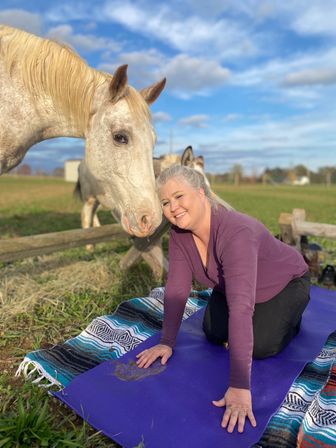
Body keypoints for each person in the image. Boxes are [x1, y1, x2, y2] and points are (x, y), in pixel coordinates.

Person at [136, 165, 310, 434]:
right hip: (235, 288)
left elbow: (240, 309)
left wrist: (240, 386)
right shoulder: (179, 233)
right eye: (166, 202)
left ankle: (292, 320)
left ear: (201, 193)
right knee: (213, 332)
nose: (173, 207)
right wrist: (167, 342)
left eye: (179, 196)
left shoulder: (236, 232)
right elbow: (177, 288)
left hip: (284, 284)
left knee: (261, 345)